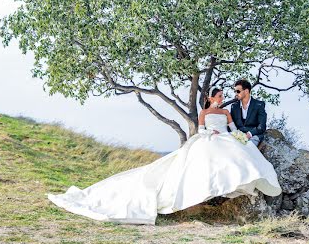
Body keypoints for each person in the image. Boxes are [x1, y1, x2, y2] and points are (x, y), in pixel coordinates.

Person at [47, 86, 281, 225]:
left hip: (225, 138)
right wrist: (212, 132)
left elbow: (233, 129)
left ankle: (238, 184)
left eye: (221, 97)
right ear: (210, 98)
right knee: (206, 158)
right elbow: (201, 130)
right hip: (209, 138)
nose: (221, 99)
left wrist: (240, 136)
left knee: (237, 154)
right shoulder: (205, 112)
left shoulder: (225, 112)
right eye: (218, 96)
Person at [231, 79, 267, 146]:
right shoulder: (234, 106)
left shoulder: (259, 105)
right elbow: (231, 123)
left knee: (248, 149)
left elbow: (262, 126)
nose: (236, 94)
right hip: (238, 135)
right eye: (235, 91)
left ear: (246, 91)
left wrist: (250, 133)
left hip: (254, 136)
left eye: (238, 91)